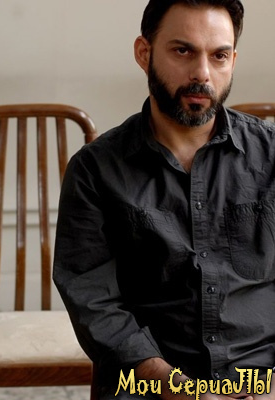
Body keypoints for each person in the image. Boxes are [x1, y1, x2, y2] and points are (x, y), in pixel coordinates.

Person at [53, 1, 275, 399]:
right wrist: (177, 388)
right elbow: (94, 301)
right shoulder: (95, 170)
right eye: (183, 50)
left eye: (219, 55)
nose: (202, 73)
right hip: (148, 384)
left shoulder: (271, 155)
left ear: (233, 60)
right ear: (144, 53)